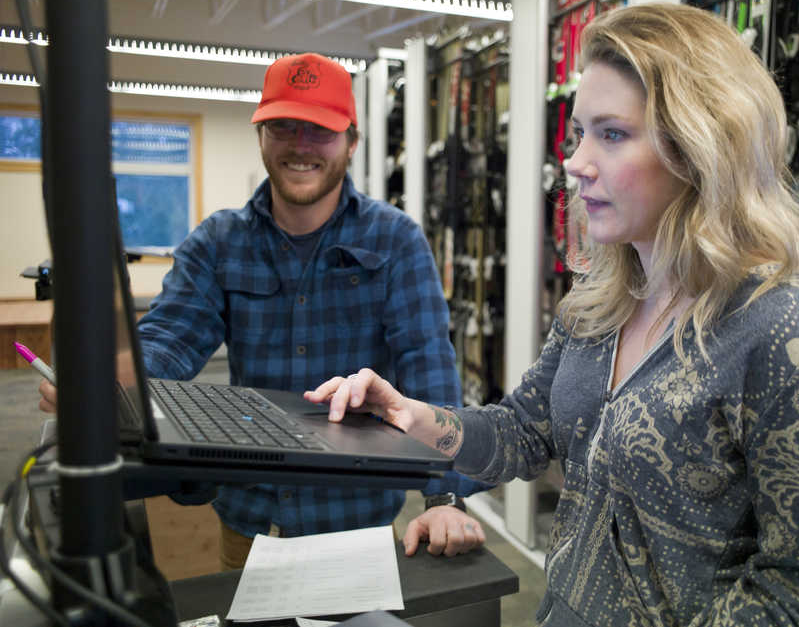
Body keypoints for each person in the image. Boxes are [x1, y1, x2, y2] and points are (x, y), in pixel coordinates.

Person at [305, 4, 799, 626]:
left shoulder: (782, 332)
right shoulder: (599, 304)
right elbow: (522, 434)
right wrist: (411, 416)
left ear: (700, 145)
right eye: (580, 133)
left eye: (611, 134)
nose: (577, 162)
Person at [39, 52, 487, 567]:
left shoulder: (395, 241)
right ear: (261, 136)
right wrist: (109, 381)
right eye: (283, 126)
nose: (300, 145)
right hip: (249, 523)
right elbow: (170, 337)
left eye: (319, 130)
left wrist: (445, 497)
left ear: (352, 141)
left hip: (354, 526)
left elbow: (428, 367)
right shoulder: (217, 242)